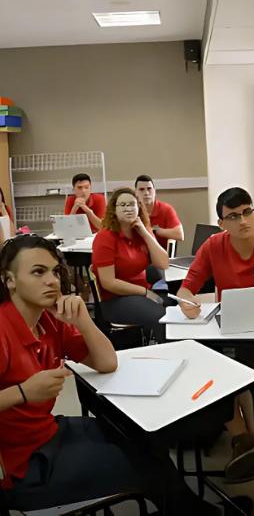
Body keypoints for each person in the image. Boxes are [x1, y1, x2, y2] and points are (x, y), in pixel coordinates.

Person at [0, 235, 222, 515]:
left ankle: (189, 509)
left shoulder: (48, 319)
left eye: (55, 271)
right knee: (134, 463)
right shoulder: (3, 329)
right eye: (37, 272)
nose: (52, 281)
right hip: (21, 464)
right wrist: (22, 393)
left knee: (141, 437)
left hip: (48, 432)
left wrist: (82, 318)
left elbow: (107, 363)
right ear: (9, 280)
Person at [176, 187, 254, 483]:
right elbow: (188, 286)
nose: (243, 220)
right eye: (233, 216)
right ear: (222, 223)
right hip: (227, 326)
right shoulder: (213, 246)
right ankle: (245, 439)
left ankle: (250, 439)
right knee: (212, 368)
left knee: (248, 369)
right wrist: (186, 303)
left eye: (247, 212)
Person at [91, 188, 170, 343]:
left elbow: (163, 263)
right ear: (114, 210)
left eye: (132, 204)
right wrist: (145, 292)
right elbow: (109, 283)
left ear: (139, 207)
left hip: (141, 292)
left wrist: (145, 233)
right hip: (115, 299)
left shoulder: (140, 231)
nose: (128, 208)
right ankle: (168, 356)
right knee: (162, 317)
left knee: (176, 309)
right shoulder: (105, 237)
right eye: (123, 205)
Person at [134, 174, 184, 250]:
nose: (146, 193)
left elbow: (180, 235)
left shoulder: (166, 209)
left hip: (161, 254)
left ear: (154, 191)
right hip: (139, 253)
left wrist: (155, 231)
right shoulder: (132, 210)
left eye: (149, 189)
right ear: (136, 193)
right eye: (141, 189)